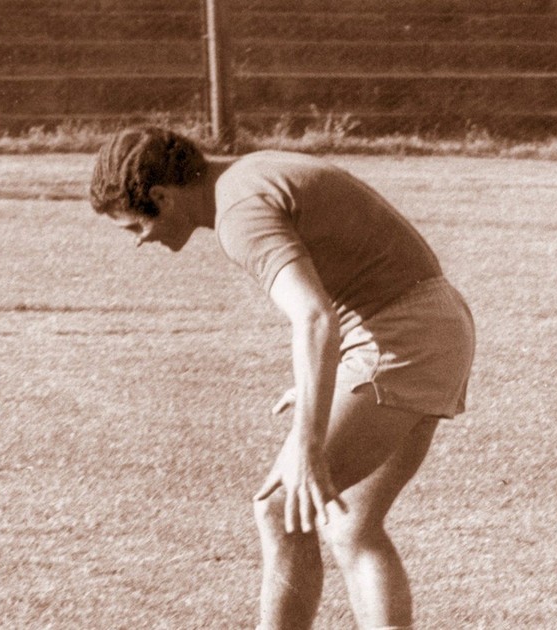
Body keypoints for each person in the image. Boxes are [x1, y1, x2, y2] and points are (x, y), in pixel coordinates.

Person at [88, 127, 475, 630]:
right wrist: (335, 379)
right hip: (433, 324)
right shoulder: (250, 171)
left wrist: (308, 445)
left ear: (161, 197)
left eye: (134, 227)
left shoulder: (238, 213)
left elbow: (314, 318)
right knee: (352, 524)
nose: (141, 241)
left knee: (281, 509)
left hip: (400, 339)